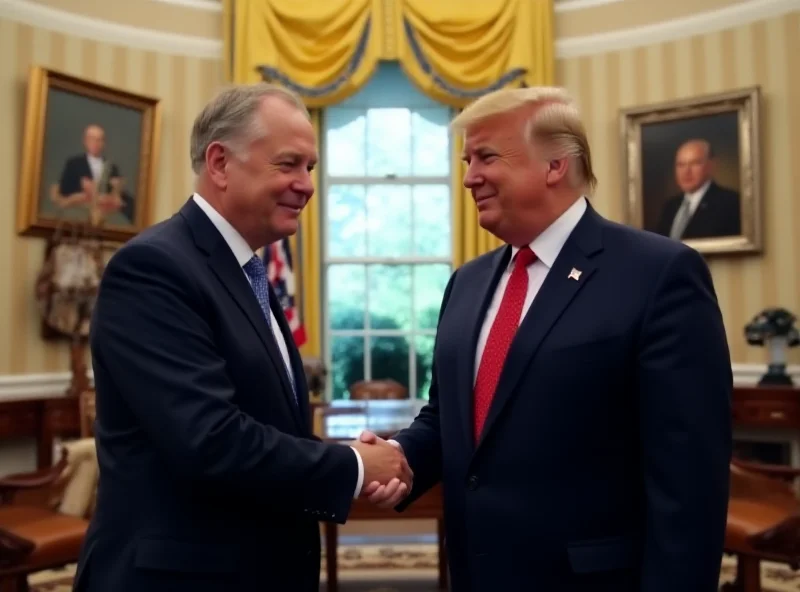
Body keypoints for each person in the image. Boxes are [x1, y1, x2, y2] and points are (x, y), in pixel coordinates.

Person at [361, 87, 732, 591]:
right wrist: (400, 457)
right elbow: (449, 419)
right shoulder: (467, 283)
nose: (469, 177)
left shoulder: (658, 274)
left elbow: (690, 483)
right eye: (468, 160)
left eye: (486, 157)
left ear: (555, 165)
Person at [72, 84, 412, 592]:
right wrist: (352, 466)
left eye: (311, 168)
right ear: (220, 163)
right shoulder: (154, 268)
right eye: (288, 164)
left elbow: (264, 423)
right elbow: (209, 441)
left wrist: (350, 458)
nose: (306, 185)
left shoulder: (246, 271)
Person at [654, 139, 740, 240]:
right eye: (681, 165)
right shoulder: (670, 206)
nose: (686, 171)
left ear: (711, 165)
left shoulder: (730, 203)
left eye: (695, 163)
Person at [51, 124, 134, 225]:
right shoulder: (74, 163)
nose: (96, 143)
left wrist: (116, 189)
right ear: (85, 141)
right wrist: (83, 190)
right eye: (92, 139)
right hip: (79, 214)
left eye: (100, 140)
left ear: (104, 143)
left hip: (106, 216)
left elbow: (117, 195)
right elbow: (64, 190)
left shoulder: (112, 167)